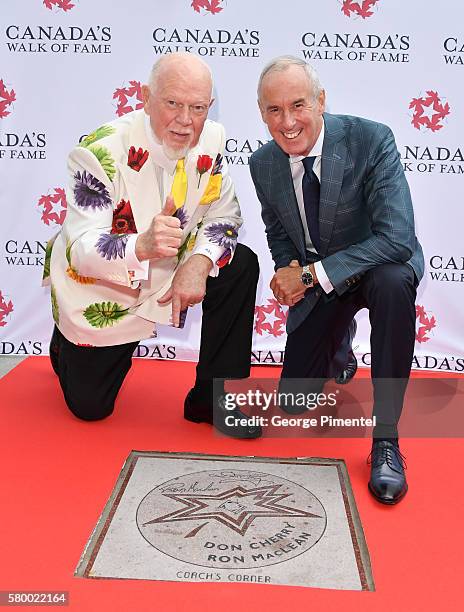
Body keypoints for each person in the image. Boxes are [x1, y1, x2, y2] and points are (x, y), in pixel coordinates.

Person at [44, 52, 260, 439]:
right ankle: (64, 346)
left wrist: (199, 260)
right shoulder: (98, 153)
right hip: (105, 288)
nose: (184, 120)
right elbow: (82, 246)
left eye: (197, 107)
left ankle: (212, 399)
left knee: (240, 263)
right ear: (146, 97)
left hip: (173, 267)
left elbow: (225, 214)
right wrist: (140, 246)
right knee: (91, 408)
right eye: (173, 103)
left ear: (209, 107)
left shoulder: (211, 139)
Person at [249, 56, 424, 504]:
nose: (287, 122)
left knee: (392, 282)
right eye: (273, 110)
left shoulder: (371, 139)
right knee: (294, 403)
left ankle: (386, 441)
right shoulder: (263, 163)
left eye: (298, 105)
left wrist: (310, 274)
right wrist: (289, 269)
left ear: (321, 102)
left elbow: (398, 237)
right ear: (261, 111)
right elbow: (278, 230)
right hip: (319, 282)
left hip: (373, 267)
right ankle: (340, 341)